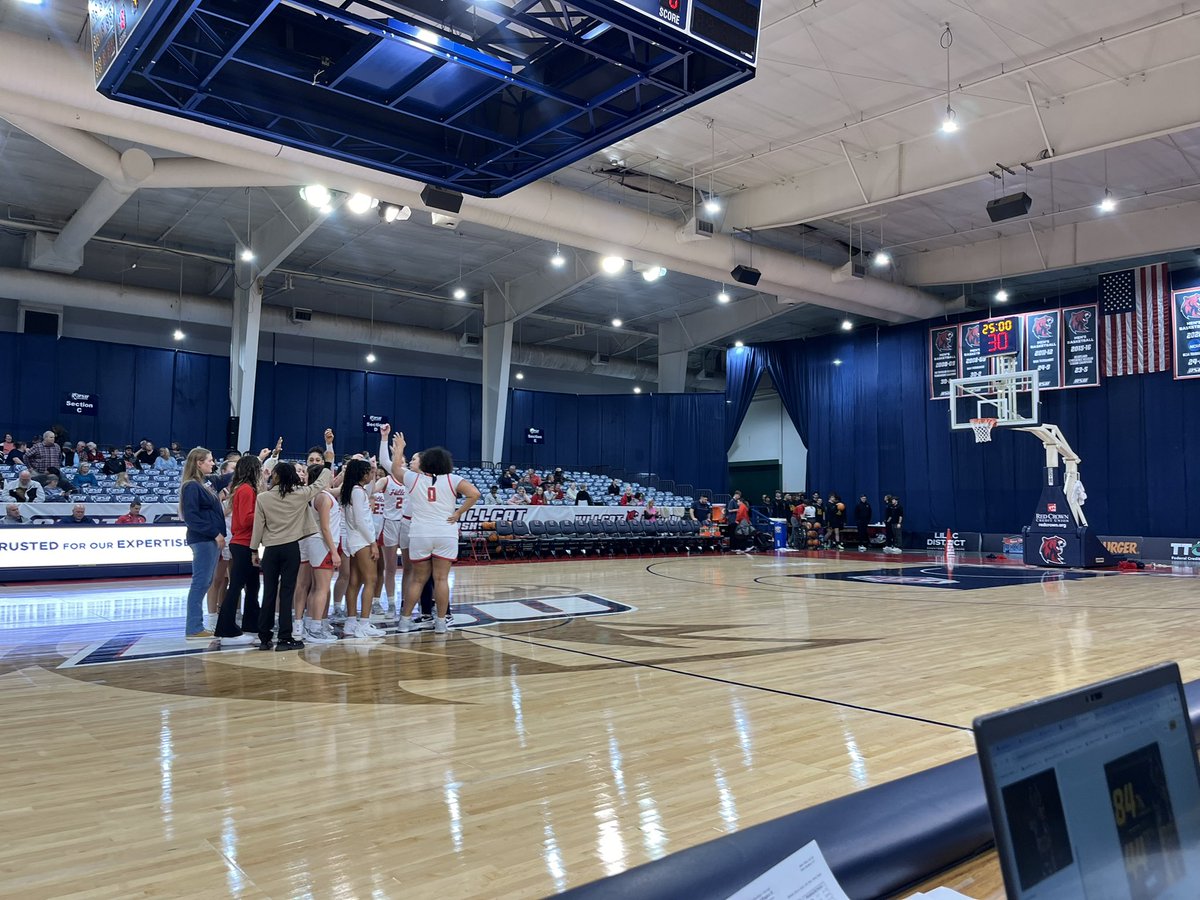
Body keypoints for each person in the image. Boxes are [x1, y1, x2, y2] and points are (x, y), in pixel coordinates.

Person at [393, 433, 480, 635]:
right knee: (441, 579)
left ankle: (404, 622)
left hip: (420, 533)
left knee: (417, 580)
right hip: (444, 532)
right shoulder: (453, 479)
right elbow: (475, 494)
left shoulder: (414, 479)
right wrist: (458, 512)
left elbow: (396, 469)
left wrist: (399, 448)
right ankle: (441, 623)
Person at [251, 454, 333, 650]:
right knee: (287, 593)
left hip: (270, 550)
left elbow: (258, 527)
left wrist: (254, 550)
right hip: (290, 549)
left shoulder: (263, 498)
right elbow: (321, 483)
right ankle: (285, 638)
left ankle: (264, 638)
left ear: (277, 476)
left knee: (269, 592)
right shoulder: (300, 494)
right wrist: (328, 463)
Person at [213, 455, 264, 646]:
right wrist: (264, 514)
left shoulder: (244, 489)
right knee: (236, 587)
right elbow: (244, 520)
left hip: (248, 543)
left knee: (252, 587)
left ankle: (251, 627)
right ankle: (226, 630)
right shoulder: (246, 490)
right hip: (242, 543)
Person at [179, 448, 225, 640]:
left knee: (204, 582)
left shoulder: (203, 484)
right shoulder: (191, 486)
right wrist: (215, 533)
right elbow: (191, 517)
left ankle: (196, 626)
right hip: (203, 540)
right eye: (210, 460)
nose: (213, 463)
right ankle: (194, 628)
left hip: (208, 540)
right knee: (200, 583)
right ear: (199, 462)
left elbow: (229, 476)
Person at [297, 461, 342, 645]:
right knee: (321, 588)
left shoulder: (317, 494)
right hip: (321, 544)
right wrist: (334, 551)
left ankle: (311, 625)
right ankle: (315, 630)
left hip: (313, 542)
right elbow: (325, 527)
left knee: (316, 587)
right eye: (329, 473)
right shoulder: (323, 497)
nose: (332, 475)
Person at [339, 457, 381, 639]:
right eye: (368, 471)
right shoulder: (357, 492)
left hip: (354, 540)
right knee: (371, 580)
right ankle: (364, 623)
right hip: (362, 540)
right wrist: (373, 542)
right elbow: (361, 520)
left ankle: (351, 622)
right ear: (360, 473)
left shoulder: (352, 490)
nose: (370, 475)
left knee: (355, 581)